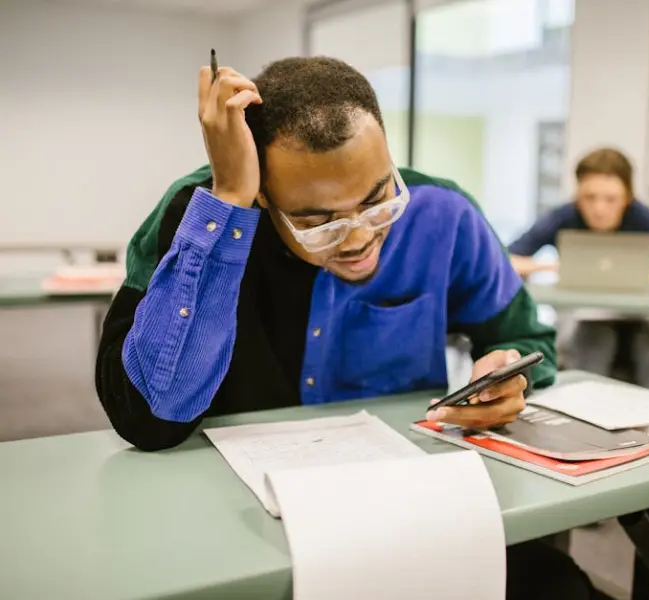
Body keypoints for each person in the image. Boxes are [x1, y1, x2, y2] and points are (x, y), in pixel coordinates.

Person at [95, 56, 595, 599]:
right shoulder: (200, 215)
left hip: (407, 506)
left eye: (378, 198)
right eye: (316, 221)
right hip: (244, 524)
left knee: (562, 587)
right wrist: (231, 201)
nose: (356, 239)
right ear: (264, 190)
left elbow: (525, 337)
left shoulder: (444, 212)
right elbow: (150, 417)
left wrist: (506, 370)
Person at [509, 147, 649, 534]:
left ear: (627, 197)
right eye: (589, 198)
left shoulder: (644, 218)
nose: (598, 208)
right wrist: (552, 266)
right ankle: (587, 484)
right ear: (578, 195)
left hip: (641, 325)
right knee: (593, 350)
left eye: (610, 199)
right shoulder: (564, 217)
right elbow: (504, 260)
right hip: (590, 326)